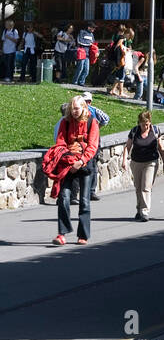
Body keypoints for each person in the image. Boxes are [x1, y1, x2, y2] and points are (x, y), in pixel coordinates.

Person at [48, 94, 99, 245]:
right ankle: (61, 233)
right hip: (68, 164)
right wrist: (69, 160)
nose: (74, 111)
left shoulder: (92, 122)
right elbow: (60, 142)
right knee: (63, 198)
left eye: (77, 109)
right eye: (72, 109)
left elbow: (93, 146)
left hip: (84, 165)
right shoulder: (66, 122)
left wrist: (81, 161)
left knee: (84, 201)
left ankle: (83, 235)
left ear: (84, 108)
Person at [121, 110, 164, 221]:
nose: (145, 127)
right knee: (138, 188)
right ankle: (139, 209)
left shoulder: (155, 130)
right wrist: (124, 161)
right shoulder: (134, 131)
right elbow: (127, 147)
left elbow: (160, 147)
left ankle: (144, 212)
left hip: (151, 162)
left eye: (147, 124)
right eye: (143, 124)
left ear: (150, 122)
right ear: (139, 123)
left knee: (146, 187)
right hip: (136, 162)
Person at [81, 91, 110, 200]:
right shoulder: (77, 111)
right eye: (85, 101)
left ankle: (91, 191)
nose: (86, 103)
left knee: (92, 166)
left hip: (93, 141)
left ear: (90, 102)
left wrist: (97, 128)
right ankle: (83, 191)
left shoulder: (94, 110)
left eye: (88, 101)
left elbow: (106, 118)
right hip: (81, 142)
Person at [71, 23, 94, 89]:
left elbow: (93, 43)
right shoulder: (82, 32)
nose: (94, 29)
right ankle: (74, 81)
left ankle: (81, 82)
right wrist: (89, 44)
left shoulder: (92, 34)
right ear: (89, 27)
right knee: (80, 68)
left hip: (87, 54)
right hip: (81, 53)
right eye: (93, 27)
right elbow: (79, 41)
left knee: (86, 70)